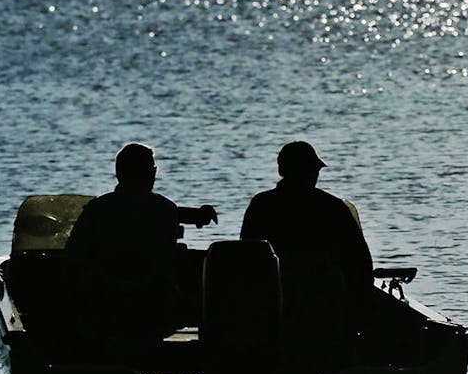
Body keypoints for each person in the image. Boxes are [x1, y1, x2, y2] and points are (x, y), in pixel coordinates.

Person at [66, 142, 217, 344]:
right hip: (154, 305)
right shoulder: (166, 209)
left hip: (106, 305)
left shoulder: (97, 209)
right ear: (151, 173)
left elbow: (74, 256)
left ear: (118, 173)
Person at [241, 141, 373, 361]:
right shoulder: (333, 207)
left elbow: (247, 254)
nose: (314, 176)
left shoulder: (261, 204)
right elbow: (359, 263)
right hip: (323, 299)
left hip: (274, 299)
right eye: (312, 170)